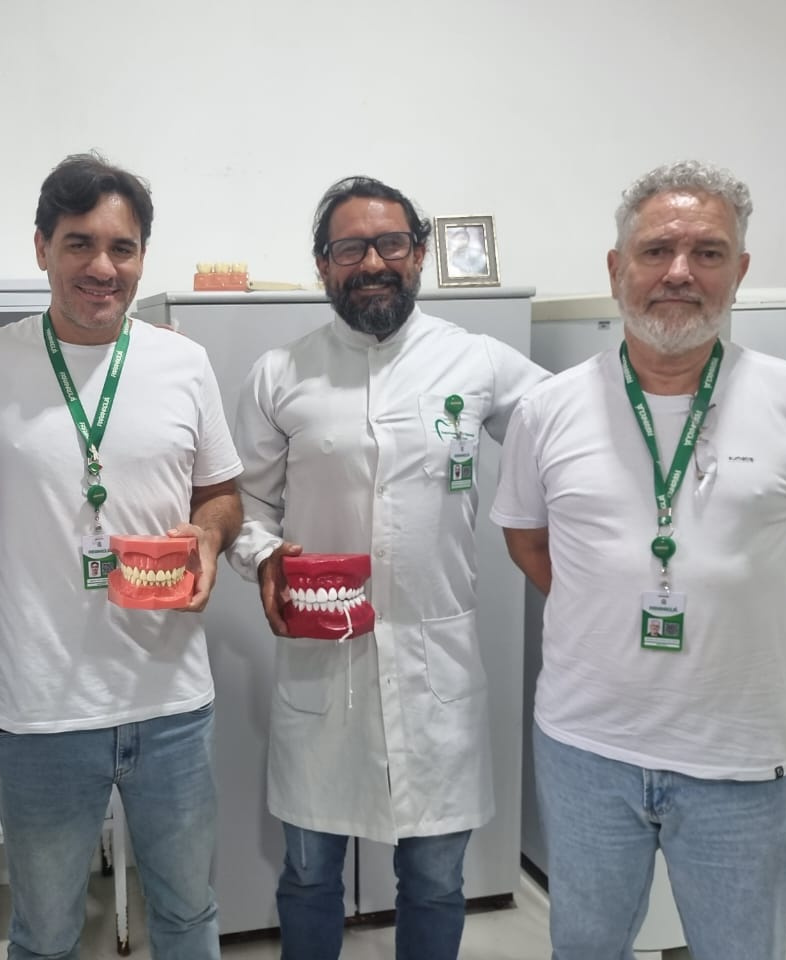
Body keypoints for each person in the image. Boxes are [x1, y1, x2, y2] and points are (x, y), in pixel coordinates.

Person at [491, 160, 786, 960]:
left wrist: (731, 600)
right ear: (618, 269)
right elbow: (527, 539)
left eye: (708, 253)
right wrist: (607, 601)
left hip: (740, 755)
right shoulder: (548, 409)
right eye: (656, 251)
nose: (679, 272)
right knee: (585, 947)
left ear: (739, 271)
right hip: (586, 746)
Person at [228, 176, 546, 960]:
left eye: (390, 243)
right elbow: (245, 504)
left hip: (436, 673)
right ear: (322, 263)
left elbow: (571, 437)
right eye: (350, 248)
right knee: (309, 875)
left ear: (420, 253)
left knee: (434, 880)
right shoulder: (281, 373)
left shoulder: (476, 362)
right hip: (321, 664)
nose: (372, 262)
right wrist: (263, 556)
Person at [0, 153, 242, 959]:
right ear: (42, 247)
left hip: (171, 701)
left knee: (188, 915)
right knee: (46, 932)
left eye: (122, 247)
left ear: (142, 257)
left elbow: (222, 494)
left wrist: (210, 535)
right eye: (79, 243)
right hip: (40, 708)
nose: (101, 267)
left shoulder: (183, 362)